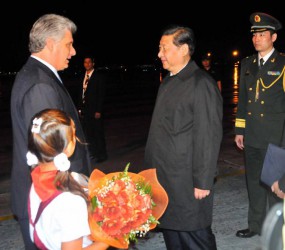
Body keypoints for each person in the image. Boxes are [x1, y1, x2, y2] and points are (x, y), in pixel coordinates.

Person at [10, 14, 91, 249]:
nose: (73, 51)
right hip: (52, 203)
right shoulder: (41, 86)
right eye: (69, 44)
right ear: (50, 43)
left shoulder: (35, 75)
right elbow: (51, 151)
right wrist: (79, 196)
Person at [144, 25, 223, 249]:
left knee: (194, 236)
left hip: (187, 182)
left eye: (164, 48)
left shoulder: (201, 84)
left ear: (184, 49)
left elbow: (208, 136)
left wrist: (203, 181)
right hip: (165, 179)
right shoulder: (169, 81)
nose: (160, 54)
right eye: (159, 49)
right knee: (173, 237)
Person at [26, 108, 108, 249]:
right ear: (68, 148)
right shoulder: (70, 202)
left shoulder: (39, 177)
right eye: (73, 134)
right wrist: (110, 238)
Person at [234, 12, 285, 238]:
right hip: (252, 136)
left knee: (275, 187)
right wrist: (239, 130)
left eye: (262, 34)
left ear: (273, 37)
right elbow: (243, 102)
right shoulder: (246, 64)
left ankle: (277, 229)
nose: (257, 39)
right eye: (254, 35)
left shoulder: (283, 63)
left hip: (275, 136)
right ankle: (255, 226)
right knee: (254, 184)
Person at [77, 56, 108, 162]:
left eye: (89, 62)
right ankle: (94, 153)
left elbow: (101, 94)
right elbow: (80, 94)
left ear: (93, 63)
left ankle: (102, 155)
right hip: (86, 110)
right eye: (85, 62)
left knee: (98, 133)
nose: (87, 64)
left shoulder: (98, 76)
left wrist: (98, 110)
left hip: (95, 111)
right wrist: (79, 108)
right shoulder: (82, 76)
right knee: (89, 134)